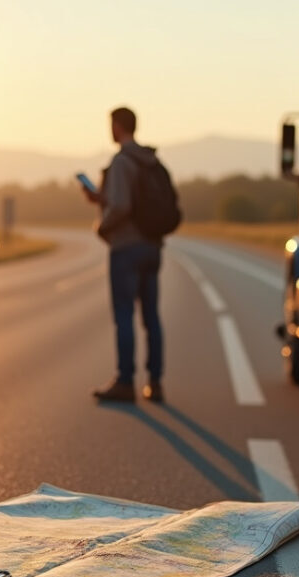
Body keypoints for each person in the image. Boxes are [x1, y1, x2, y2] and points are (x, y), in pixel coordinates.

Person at [80, 106, 165, 403]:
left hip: (126, 248)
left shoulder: (121, 161)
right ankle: (155, 382)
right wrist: (101, 199)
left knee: (124, 315)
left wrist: (101, 227)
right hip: (152, 247)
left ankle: (126, 381)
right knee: (151, 317)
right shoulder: (151, 160)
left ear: (117, 126)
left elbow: (120, 206)